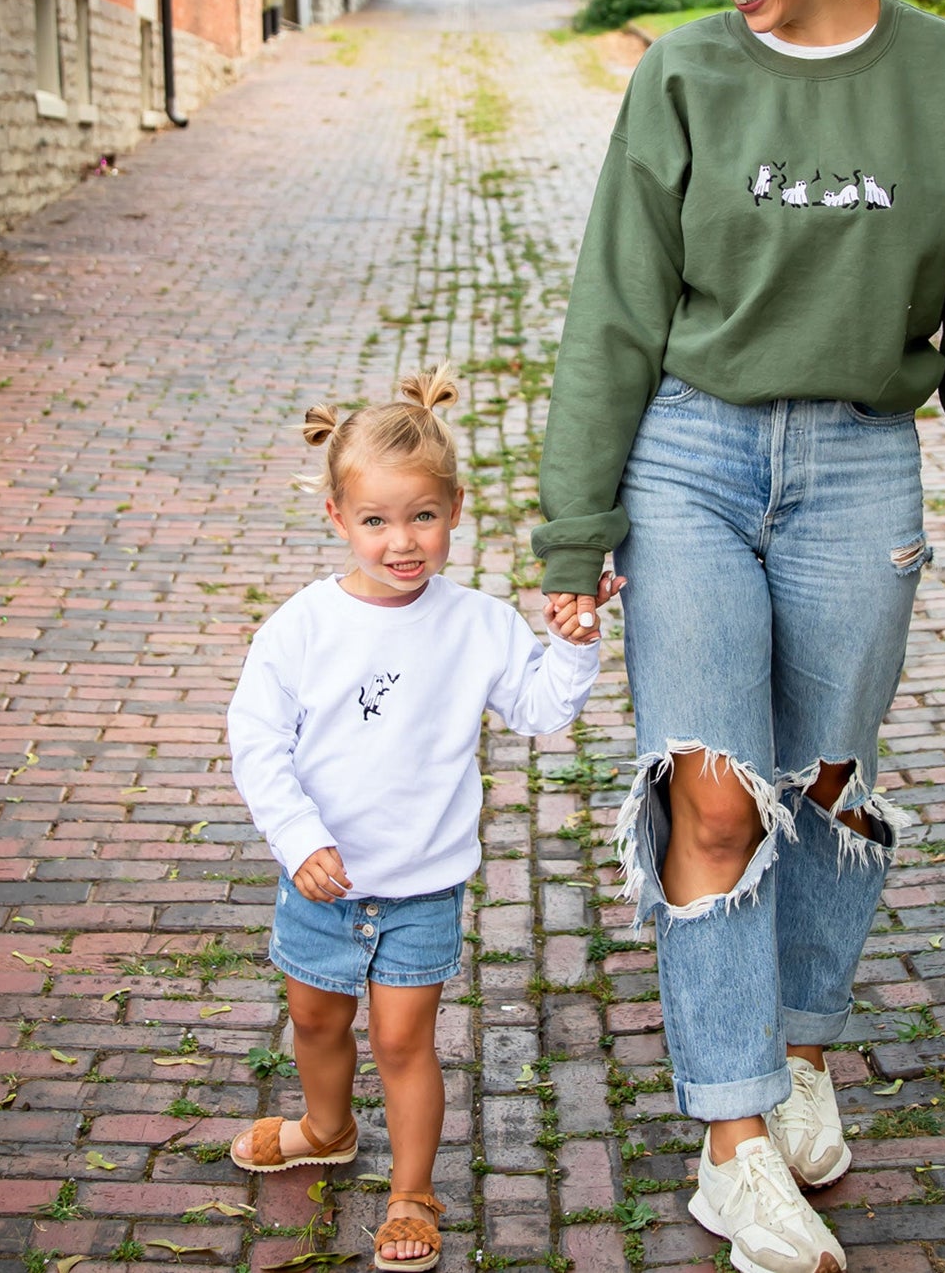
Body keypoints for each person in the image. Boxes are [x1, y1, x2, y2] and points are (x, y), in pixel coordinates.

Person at [533, 0, 945, 1269]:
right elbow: (614, 312)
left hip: (858, 467)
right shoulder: (685, 76)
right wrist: (574, 523)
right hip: (689, 458)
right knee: (712, 799)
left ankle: (803, 1046)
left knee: (823, 785)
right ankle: (732, 1135)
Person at [227, 366, 622, 1271]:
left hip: (419, 884)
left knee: (404, 1040)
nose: (401, 541)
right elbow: (258, 741)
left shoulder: (475, 623)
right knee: (316, 1022)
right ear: (337, 518)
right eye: (375, 520)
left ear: (453, 510)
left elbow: (538, 708)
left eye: (421, 517)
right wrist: (298, 839)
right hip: (320, 879)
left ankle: (413, 1190)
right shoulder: (301, 627)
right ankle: (325, 1126)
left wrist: (571, 641)